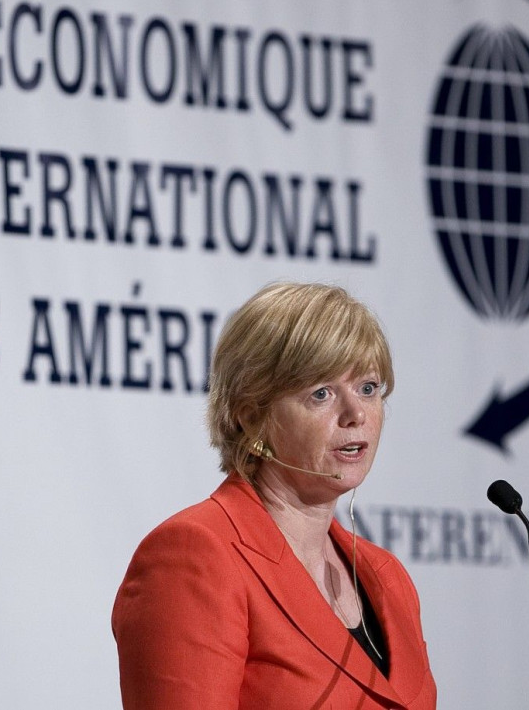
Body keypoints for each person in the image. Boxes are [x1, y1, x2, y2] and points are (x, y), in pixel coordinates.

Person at [112, 281, 437, 709]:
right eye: (321, 393)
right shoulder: (197, 557)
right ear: (251, 417)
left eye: (368, 388)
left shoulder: (389, 579)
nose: (356, 414)